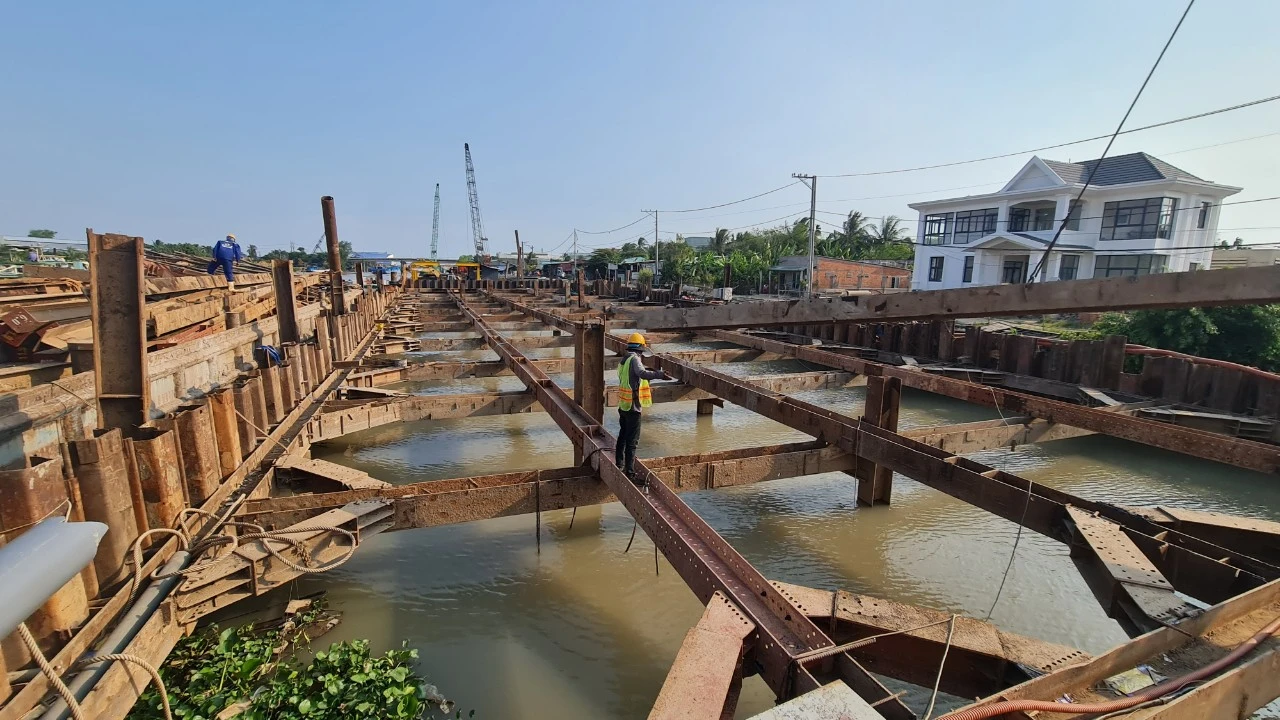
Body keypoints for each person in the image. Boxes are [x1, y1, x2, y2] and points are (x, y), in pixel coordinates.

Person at [615, 332, 672, 485]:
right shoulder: (634, 359)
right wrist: (659, 374)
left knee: (623, 435)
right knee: (632, 441)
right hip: (633, 407)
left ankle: (619, 463)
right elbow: (641, 373)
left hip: (623, 405)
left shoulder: (624, 359)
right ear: (640, 348)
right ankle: (630, 473)